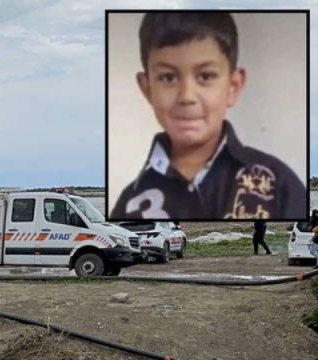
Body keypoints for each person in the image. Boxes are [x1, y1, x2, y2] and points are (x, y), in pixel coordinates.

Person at [111, 12, 306, 220]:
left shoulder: (280, 186)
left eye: (205, 76)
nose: (186, 96)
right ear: (147, 88)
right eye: (168, 77)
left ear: (233, 86)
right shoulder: (131, 202)